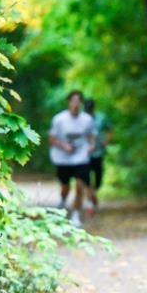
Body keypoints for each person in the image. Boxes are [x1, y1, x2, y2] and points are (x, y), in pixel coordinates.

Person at [49, 90, 95, 228]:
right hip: (62, 158)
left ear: (81, 103)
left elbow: (92, 135)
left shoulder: (87, 119)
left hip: (81, 157)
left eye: (78, 101)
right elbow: (51, 138)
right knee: (65, 186)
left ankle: (76, 214)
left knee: (80, 185)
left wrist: (91, 146)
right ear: (68, 102)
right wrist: (63, 145)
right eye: (73, 101)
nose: (75, 104)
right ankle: (63, 201)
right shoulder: (59, 119)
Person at [83, 98, 112, 214]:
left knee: (98, 179)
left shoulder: (101, 118)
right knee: (86, 179)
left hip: (99, 152)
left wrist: (107, 140)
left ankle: (93, 193)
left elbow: (110, 129)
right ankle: (90, 204)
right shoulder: (81, 119)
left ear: (93, 108)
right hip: (84, 154)